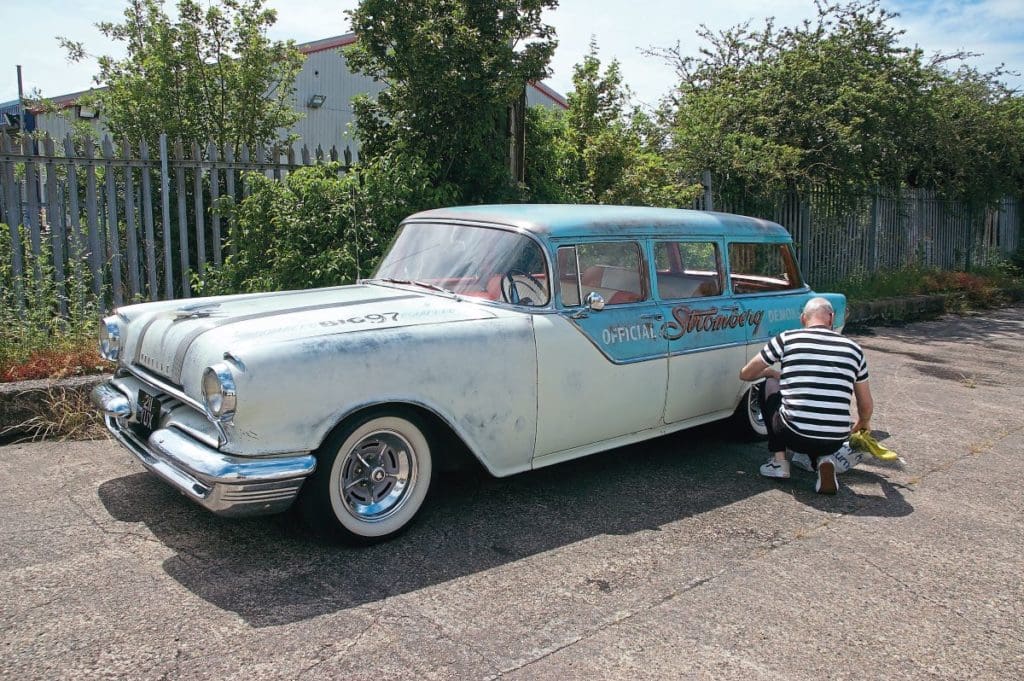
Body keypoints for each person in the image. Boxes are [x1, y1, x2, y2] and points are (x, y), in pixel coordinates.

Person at [738, 297, 874, 494]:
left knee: (769, 385)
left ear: (803, 319)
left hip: (793, 435)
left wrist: (771, 373)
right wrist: (863, 422)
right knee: (822, 417)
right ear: (831, 318)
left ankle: (779, 463)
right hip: (835, 440)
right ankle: (824, 460)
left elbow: (746, 374)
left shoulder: (787, 339)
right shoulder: (854, 349)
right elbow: (866, 404)